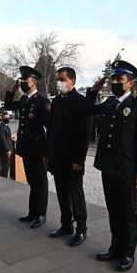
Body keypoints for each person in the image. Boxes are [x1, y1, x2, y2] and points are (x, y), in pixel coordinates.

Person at [85, 60, 137, 272]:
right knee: (113, 210)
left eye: (119, 79)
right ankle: (115, 247)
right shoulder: (109, 103)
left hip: (128, 168)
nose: (115, 82)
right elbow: (87, 110)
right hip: (108, 166)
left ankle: (128, 252)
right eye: (113, 79)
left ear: (130, 83)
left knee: (128, 212)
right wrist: (93, 90)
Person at [47, 67, 91, 247]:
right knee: (62, 193)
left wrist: (79, 160)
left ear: (72, 81)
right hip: (57, 157)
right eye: (58, 79)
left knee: (76, 194)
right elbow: (51, 130)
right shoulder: (56, 101)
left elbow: (85, 134)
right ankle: (66, 225)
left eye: (63, 79)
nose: (60, 82)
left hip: (73, 158)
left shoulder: (80, 102)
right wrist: (48, 154)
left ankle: (81, 229)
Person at [4, 66, 50, 229]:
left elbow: (49, 128)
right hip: (26, 147)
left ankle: (41, 214)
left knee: (40, 183)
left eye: (26, 80)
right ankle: (32, 212)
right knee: (32, 181)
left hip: (38, 149)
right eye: (21, 80)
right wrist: (12, 90)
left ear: (34, 82)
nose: (23, 83)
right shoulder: (24, 99)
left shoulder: (42, 101)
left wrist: (47, 152)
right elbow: (8, 105)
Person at [0, 111, 13, 178]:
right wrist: (7, 150)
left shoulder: (6, 126)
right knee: (5, 167)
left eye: (8, 117)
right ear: (2, 118)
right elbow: (3, 140)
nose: (7, 119)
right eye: (6, 118)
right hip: (5, 150)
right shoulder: (1, 127)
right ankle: (4, 180)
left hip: (9, 148)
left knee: (7, 166)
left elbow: (8, 137)